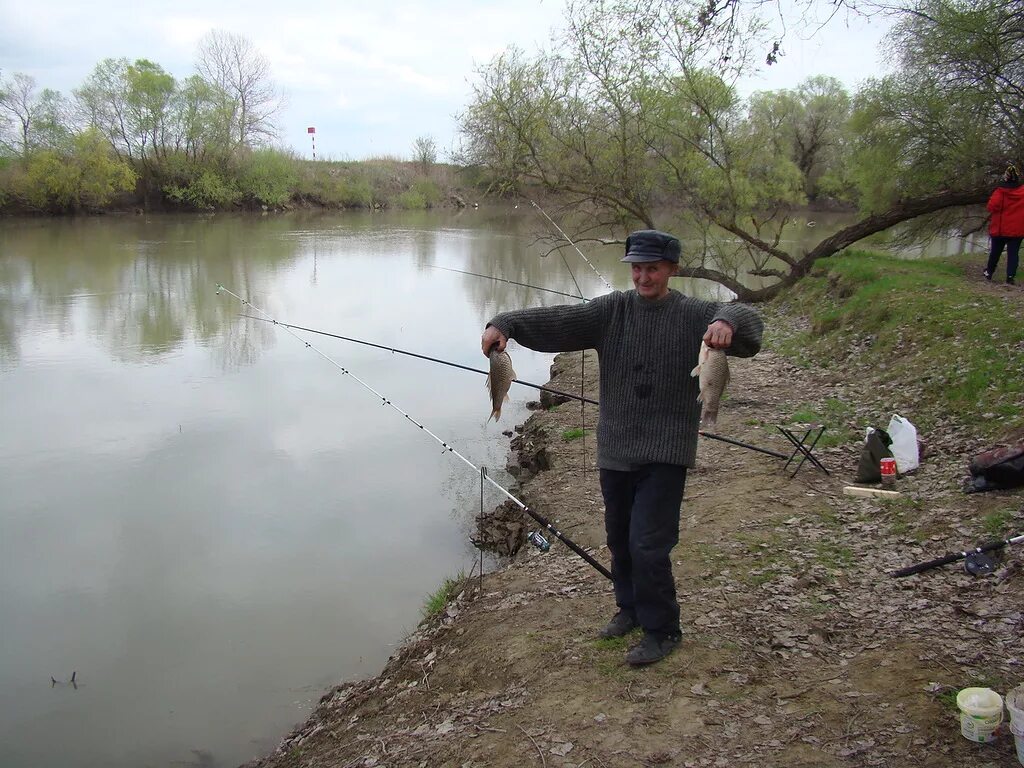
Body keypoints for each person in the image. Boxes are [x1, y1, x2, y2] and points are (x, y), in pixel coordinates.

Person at [480, 230, 763, 666]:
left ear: (671, 270)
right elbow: (558, 321)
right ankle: (628, 608)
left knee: (649, 543)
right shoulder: (612, 311)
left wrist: (728, 322)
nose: (643, 276)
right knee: (620, 539)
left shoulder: (695, 316)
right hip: (616, 445)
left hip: (666, 450)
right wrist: (505, 324)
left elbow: (750, 325)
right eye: (637, 267)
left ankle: (662, 629)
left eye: (653, 268)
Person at [984, 164, 1024, 286]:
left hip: (1000, 229)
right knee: (1013, 253)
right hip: (1017, 229)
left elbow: (991, 207)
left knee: (995, 252)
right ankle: (1010, 277)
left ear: (1006, 177)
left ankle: (989, 272)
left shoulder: (1000, 191)